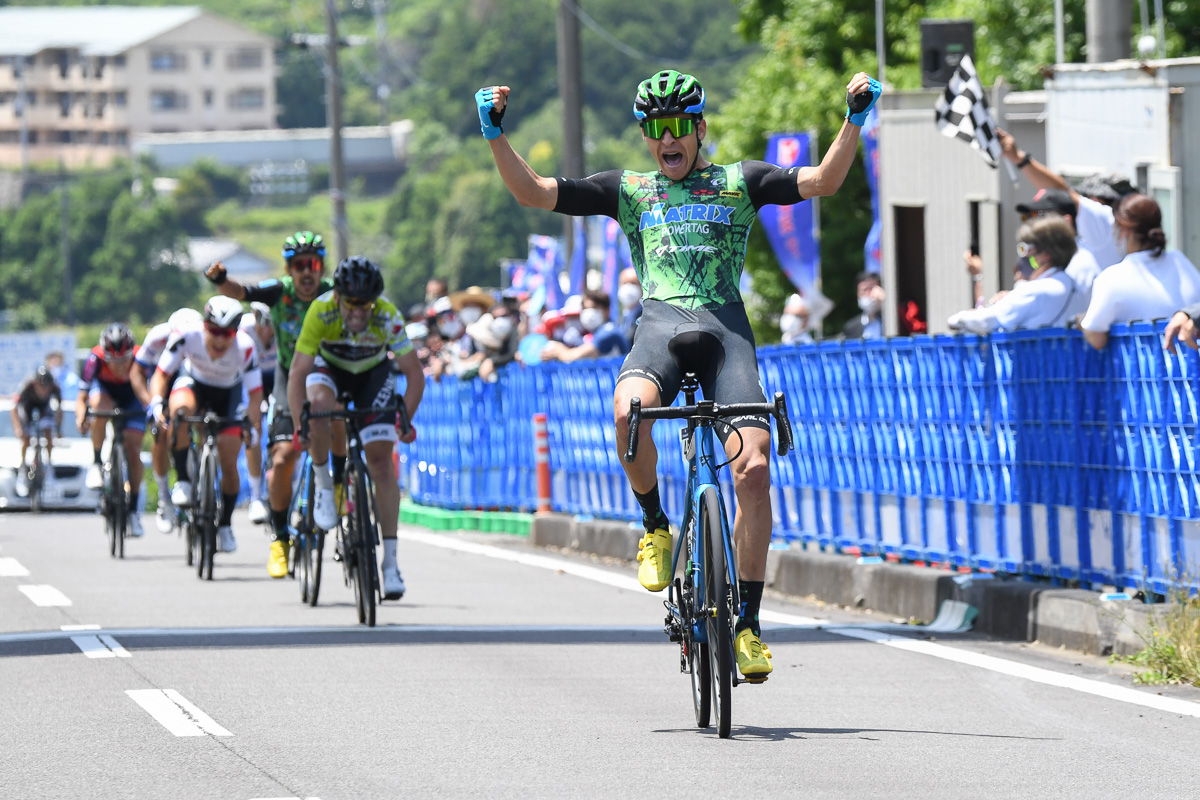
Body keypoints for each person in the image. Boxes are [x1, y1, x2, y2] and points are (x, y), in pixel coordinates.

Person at [477, 67, 881, 681]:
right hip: (659, 332)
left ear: (698, 129)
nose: (667, 140)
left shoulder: (739, 182)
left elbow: (823, 180)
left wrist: (853, 118)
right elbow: (534, 192)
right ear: (646, 135)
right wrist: (494, 134)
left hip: (726, 335)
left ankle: (747, 624)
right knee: (627, 411)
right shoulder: (629, 189)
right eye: (655, 129)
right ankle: (655, 525)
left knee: (755, 470)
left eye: (678, 128)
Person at [289, 257, 424, 600]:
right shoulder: (320, 312)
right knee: (320, 408)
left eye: (366, 304)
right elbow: (297, 374)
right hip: (329, 370)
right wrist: (298, 425)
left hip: (372, 375)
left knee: (380, 463)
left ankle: (390, 565)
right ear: (338, 298)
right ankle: (323, 487)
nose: (359, 312)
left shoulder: (387, 315)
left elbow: (414, 375)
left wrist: (402, 420)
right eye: (352, 304)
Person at [204, 232, 337, 578]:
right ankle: (281, 540)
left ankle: (339, 494)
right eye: (299, 266)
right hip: (290, 377)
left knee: (342, 435)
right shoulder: (280, 291)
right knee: (281, 458)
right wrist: (220, 280)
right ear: (289, 269)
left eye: (314, 264)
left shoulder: (334, 293)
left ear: (322, 266)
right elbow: (241, 292)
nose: (307, 272)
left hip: (333, 375)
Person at [151, 297, 263, 555]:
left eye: (227, 333)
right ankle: (184, 482)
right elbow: (162, 374)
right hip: (194, 384)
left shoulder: (245, 347)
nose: (221, 340)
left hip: (228, 394)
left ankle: (224, 524)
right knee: (179, 412)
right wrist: (157, 402)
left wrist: (252, 424)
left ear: (236, 332)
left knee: (229, 458)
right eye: (214, 331)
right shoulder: (187, 336)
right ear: (204, 326)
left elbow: (255, 394)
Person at [1080, 194, 1200, 350]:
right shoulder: (1180, 261)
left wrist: (1081, 322)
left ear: (1123, 229)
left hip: (1147, 369)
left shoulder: (1111, 277)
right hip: (1191, 365)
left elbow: (1096, 338)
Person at [997, 129, 1128, 269]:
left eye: (1044, 215)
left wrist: (1019, 158)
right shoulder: (1066, 250)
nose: (1038, 224)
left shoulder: (1104, 226)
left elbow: (1064, 194)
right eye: (1031, 216)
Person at [947, 216, 1089, 334]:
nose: (1022, 256)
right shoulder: (1074, 287)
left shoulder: (1038, 289)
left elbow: (988, 319)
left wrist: (958, 319)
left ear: (1044, 255)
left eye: (1024, 249)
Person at [131, 307, 204, 533]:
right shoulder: (157, 337)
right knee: (160, 434)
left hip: (190, 383)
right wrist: (151, 403)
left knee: (206, 425)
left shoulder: (202, 338)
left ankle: (204, 477)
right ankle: (164, 497)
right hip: (162, 384)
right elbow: (136, 372)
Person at [78, 323, 147, 538]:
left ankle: (134, 510)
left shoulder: (142, 357)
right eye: (112, 360)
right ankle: (97, 463)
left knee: (133, 450)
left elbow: (152, 391)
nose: (118, 366)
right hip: (105, 394)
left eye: (123, 360)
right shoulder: (94, 360)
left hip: (133, 397)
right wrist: (82, 416)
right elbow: (82, 397)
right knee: (98, 408)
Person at [1013, 189, 1102, 295]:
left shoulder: (1079, 264)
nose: (1032, 224)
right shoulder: (1045, 255)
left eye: (1041, 216)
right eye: (1029, 216)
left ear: (1066, 221)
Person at [239, 301, 277, 525]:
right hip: (249, 379)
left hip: (275, 376)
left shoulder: (284, 329)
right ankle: (255, 496)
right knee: (253, 427)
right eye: (263, 323)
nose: (267, 330)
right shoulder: (242, 329)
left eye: (272, 324)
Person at [540, 290, 629, 362]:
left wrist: (557, 349)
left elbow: (571, 357)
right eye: (585, 309)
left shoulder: (608, 332)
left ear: (607, 311)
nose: (589, 313)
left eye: (594, 308)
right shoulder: (596, 332)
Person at [12, 365, 62, 471]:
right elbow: (14, 408)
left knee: (48, 431)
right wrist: (18, 428)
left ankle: (49, 462)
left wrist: (58, 429)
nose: (43, 391)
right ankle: (23, 462)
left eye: (46, 387)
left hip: (44, 408)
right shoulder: (27, 386)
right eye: (41, 387)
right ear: (35, 383)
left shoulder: (56, 388)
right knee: (26, 436)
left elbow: (60, 410)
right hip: (28, 408)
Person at [473, 302, 521, 381]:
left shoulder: (516, 331)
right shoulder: (491, 336)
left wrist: (493, 362)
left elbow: (512, 353)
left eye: (504, 315)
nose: (500, 320)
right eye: (496, 317)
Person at [842, 272, 884, 338]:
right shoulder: (851, 327)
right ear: (857, 293)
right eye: (864, 290)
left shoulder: (892, 320)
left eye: (872, 289)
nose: (868, 294)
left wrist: (885, 300)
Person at [616, 267, 644, 344]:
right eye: (624, 283)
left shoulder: (646, 315)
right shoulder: (622, 317)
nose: (628, 287)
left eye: (633, 283)